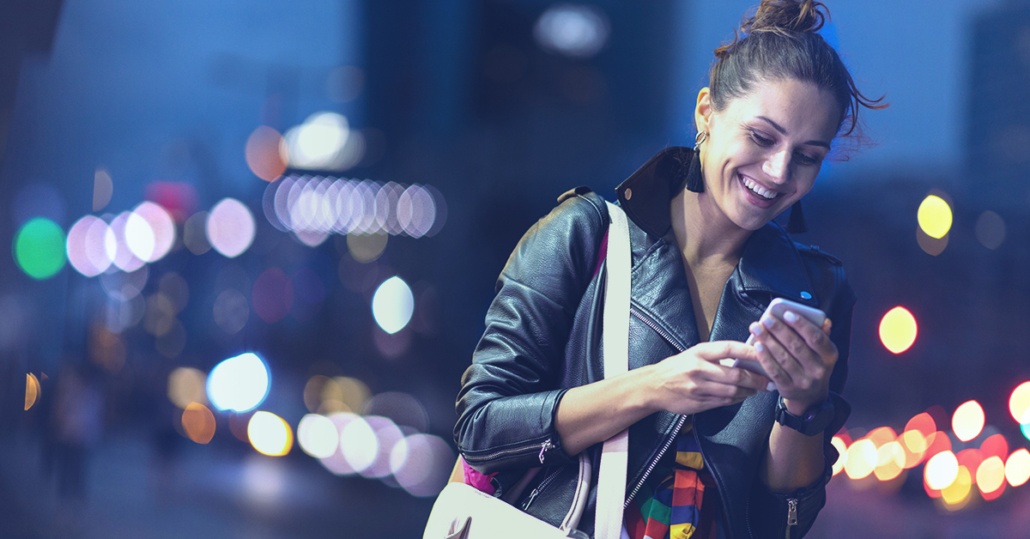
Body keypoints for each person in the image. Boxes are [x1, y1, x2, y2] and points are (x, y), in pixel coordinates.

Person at [453, 1, 885, 537]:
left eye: (807, 156)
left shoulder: (816, 291)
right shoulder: (583, 236)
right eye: (762, 137)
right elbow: (482, 430)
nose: (777, 173)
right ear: (707, 113)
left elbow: (784, 522)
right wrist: (654, 387)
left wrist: (804, 404)